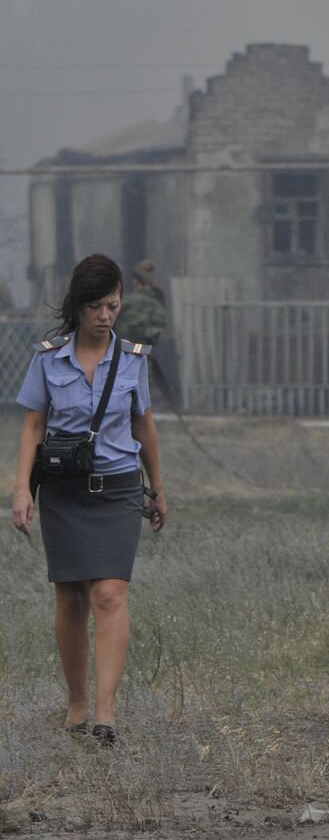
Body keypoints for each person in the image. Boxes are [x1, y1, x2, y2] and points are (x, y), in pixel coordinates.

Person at [10, 254, 169, 745]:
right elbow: (33, 425)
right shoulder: (47, 358)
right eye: (95, 306)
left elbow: (143, 423)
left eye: (112, 305)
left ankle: (106, 713)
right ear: (77, 307)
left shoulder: (135, 359)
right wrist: (20, 490)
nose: (105, 315)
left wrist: (158, 487)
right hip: (63, 492)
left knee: (108, 594)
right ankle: (76, 700)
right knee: (71, 599)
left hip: (118, 488)